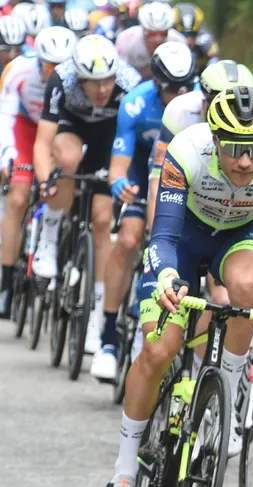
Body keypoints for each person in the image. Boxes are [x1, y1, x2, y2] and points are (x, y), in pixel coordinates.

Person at [100, 86, 253, 487]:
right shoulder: (187, 150)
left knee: (245, 284)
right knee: (159, 351)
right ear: (216, 140)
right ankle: (123, 474)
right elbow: (161, 236)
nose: (245, 161)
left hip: (239, 236)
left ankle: (229, 392)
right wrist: (165, 276)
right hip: (182, 239)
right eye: (235, 148)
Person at [90, 40, 196, 381]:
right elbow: (119, 163)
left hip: (182, 177)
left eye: (185, 87)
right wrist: (119, 184)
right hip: (140, 171)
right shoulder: (136, 103)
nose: (178, 95)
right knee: (129, 239)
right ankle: (106, 334)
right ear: (156, 84)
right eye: (170, 89)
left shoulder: (197, 106)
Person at [31, 34, 141, 355]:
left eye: (107, 81)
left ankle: (96, 316)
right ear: (78, 76)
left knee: (103, 221)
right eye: (92, 83)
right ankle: (49, 237)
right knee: (68, 160)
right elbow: (42, 142)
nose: (102, 89)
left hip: (110, 138)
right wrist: (44, 182)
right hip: (72, 128)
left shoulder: (130, 84)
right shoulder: (61, 79)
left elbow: (135, 145)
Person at [0, 26, 74, 319]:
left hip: (58, 132)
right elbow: (4, 116)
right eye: (49, 66)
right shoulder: (18, 71)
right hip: (25, 128)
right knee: (18, 198)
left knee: (61, 185)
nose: (53, 72)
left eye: (60, 67)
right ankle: (5, 284)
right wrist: (7, 153)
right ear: (38, 61)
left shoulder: (74, 81)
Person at [144, 59, 253, 228]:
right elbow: (158, 181)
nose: (227, 115)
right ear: (204, 104)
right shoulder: (179, 111)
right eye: (218, 106)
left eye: (235, 107)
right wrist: (155, 239)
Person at [114, 1, 185, 81]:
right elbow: (118, 71)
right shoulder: (126, 39)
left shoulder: (178, 41)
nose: (157, 40)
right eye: (152, 34)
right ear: (143, 30)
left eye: (163, 34)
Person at [172, 3, 217, 70]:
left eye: (192, 34)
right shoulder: (169, 38)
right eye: (183, 35)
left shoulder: (204, 38)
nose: (188, 40)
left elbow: (214, 60)